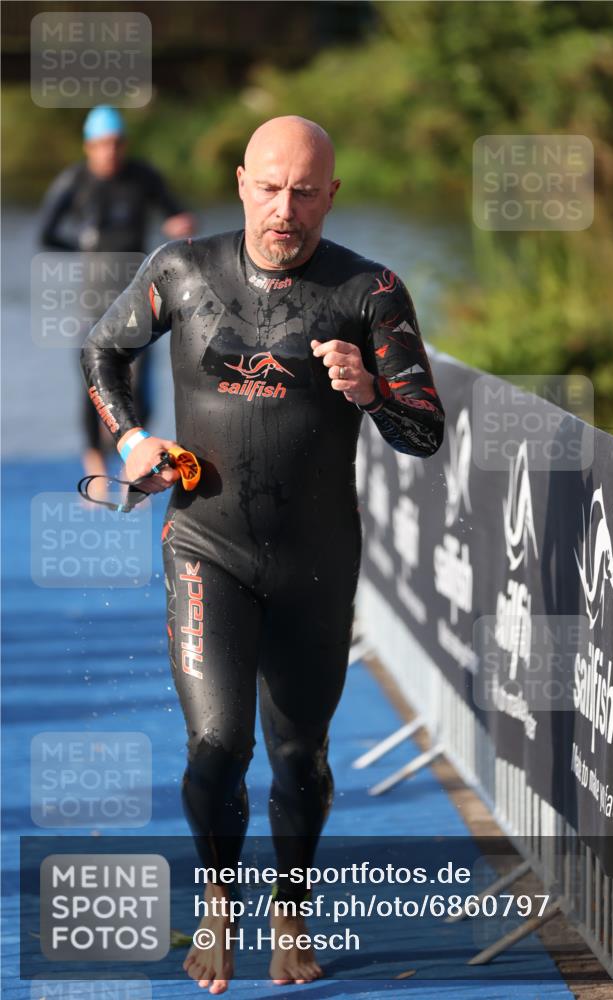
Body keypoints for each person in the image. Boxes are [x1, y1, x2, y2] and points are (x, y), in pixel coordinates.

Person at [80, 116, 445, 992]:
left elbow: (424, 430)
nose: (286, 209)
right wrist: (130, 439)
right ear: (243, 182)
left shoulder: (370, 289)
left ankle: (289, 909)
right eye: (271, 187)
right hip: (205, 544)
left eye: (306, 192)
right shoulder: (181, 272)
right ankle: (216, 906)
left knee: (298, 757)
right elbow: (105, 348)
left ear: (331, 194)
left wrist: (368, 392)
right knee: (217, 745)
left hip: (316, 561)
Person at [39, 105, 195, 483]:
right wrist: (85, 249)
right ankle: (93, 461)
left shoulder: (142, 177)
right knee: (93, 375)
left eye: (117, 144)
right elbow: (46, 233)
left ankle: (134, 465)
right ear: (89, 146)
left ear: (124, 145)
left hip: (137, 293)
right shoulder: (74, 181)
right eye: (103, 144)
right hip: (95, 293)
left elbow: (178, 215)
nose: (110, 152)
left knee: (138, 382)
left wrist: (180, 224)